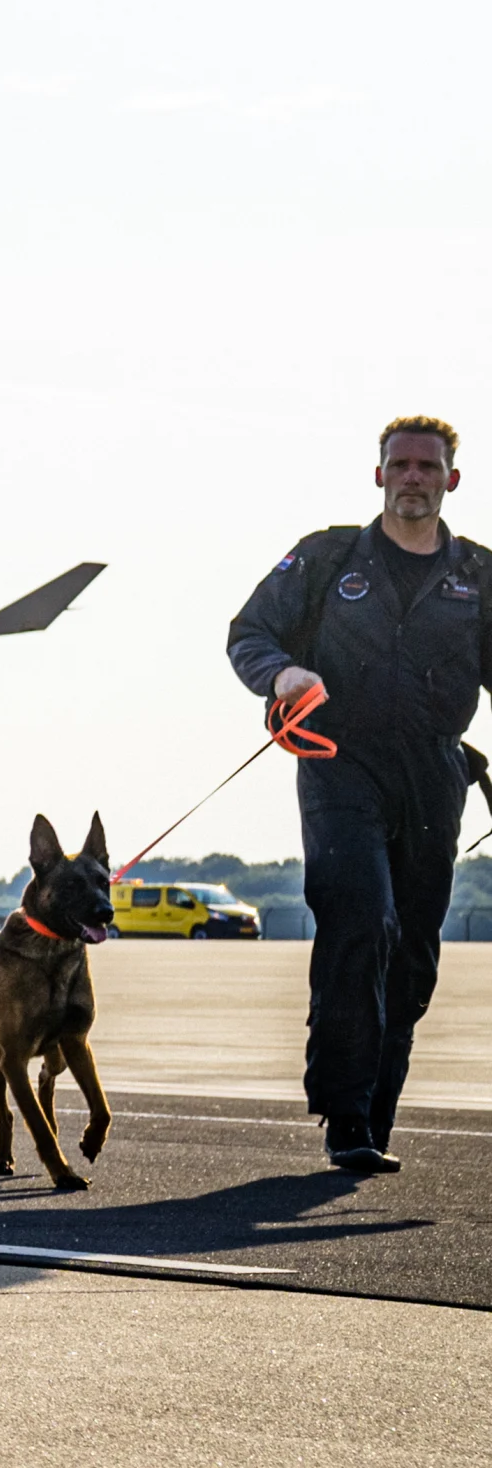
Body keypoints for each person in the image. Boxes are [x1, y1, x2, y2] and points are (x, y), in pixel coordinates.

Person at [227, 417, 492, 1175]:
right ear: (379, 475)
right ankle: (344, 1115)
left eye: (427, 467)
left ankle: (376, 1115)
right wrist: (283, 675)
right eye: (400, 464)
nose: (413, 477)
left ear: (451, 480)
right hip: (340, 763)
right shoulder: (327, 557)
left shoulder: (479, 574)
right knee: (361, 920)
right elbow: (249, 633)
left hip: (434, 774)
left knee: (412, 950)